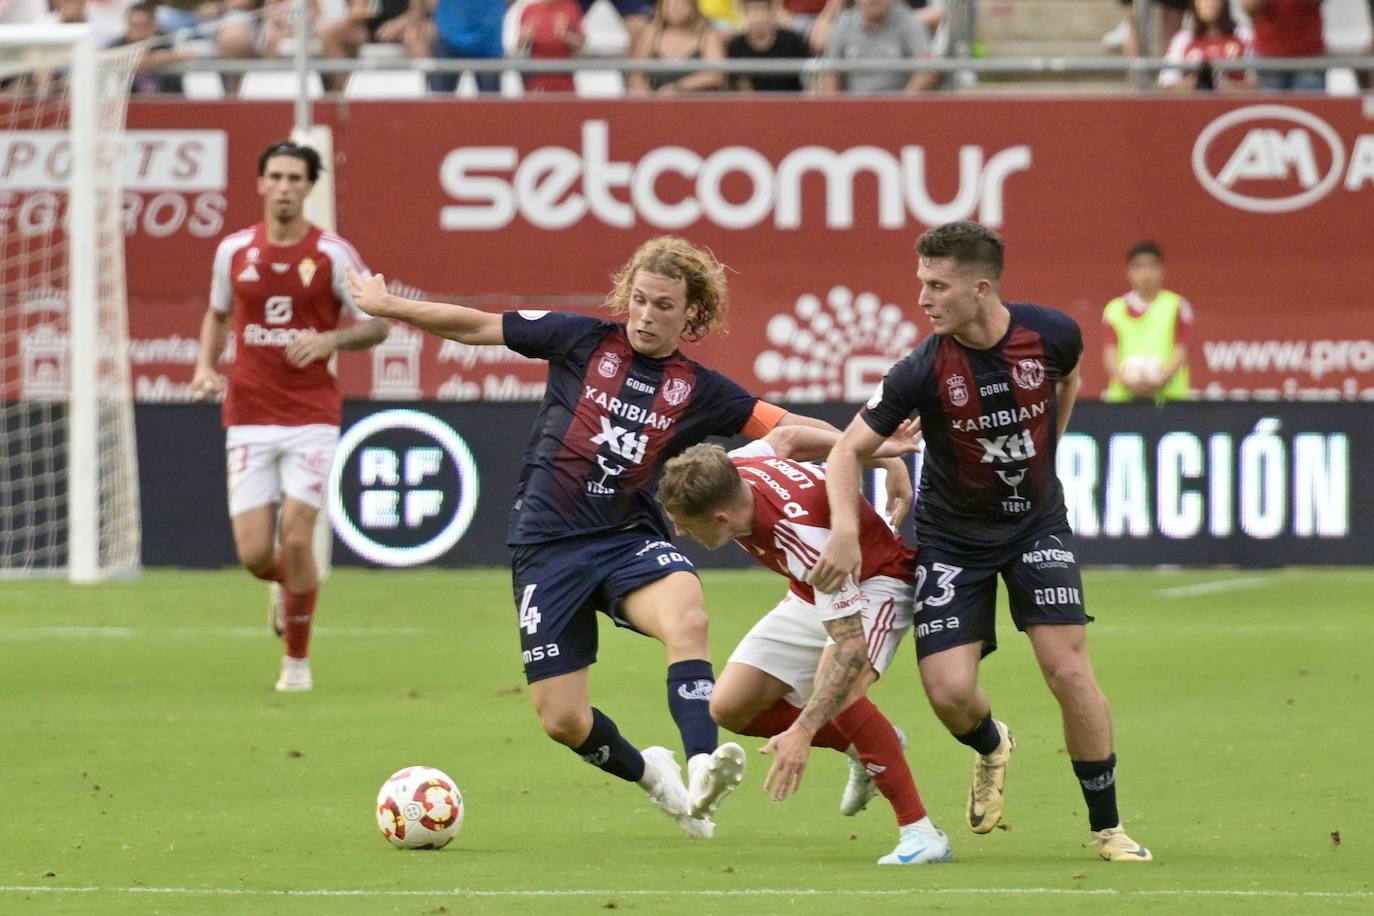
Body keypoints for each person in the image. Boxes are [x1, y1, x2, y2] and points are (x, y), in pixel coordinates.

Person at [344, 237, 879, 838]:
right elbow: (476, 327)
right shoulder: (581, 340)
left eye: (664, 306)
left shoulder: (698, 388)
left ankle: (703, 766)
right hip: (546, 547)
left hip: (627, 538)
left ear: (691, 314)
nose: (647, 316)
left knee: (688, 619)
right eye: (640, 301)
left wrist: (868, 448)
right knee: (562, 720)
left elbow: (780, 424)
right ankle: (655, 775)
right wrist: (388, 305)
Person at [810, 220, 1152, 863]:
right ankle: (993, 743)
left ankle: (1108, 828)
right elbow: (844, 453)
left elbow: (1069, 380)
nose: (922, 298)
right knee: (949, 693)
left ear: (982, 287)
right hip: (953, 539)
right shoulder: (919, 369)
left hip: (1034, 526)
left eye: (937, 285)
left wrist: (1045, 458)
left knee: (1069, 670)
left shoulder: (1051, 334)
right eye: (921, 283)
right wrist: (846, 533)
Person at [657, 429, 954, 866]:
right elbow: (787, 436)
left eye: (685, 520)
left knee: (840, 687)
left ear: (721, 517)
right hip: (812, 591)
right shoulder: (730, 469)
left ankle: (921, 832)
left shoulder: (807, 539)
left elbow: (850, 652)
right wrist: (881, 456)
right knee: (729, 707)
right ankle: (873, 744)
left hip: (876, 583)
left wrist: (803, 731)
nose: (679, 531)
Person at [191, 141, 390, 693]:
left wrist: (328, 338)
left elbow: (379, 323)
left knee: (297, 540)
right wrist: (205, 365)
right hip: (249, 413)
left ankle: (296, 665)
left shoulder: (331, 253)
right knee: (257, 555)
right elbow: (217, 313)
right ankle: (285, 586)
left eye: (294, 178)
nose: (283, 186)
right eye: (274, 176)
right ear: (260, 184)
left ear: (309, 187)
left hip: (310, 415)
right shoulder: (233, 251)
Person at [1101, 241, 1193, 403]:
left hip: (1169, 399)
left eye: (1152, 266)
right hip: (1124, 398)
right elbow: (1110, 354)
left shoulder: (1177, 305)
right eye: (1139, 267)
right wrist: (1125, 380)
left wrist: (1163, 377)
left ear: (1162, 270)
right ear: (1129, 272)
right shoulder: (1114, 309)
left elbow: (1182, 350)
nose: (1146, 274)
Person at [817, 0, 937, 94]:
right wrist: (835, 108)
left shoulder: (908, 21)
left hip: (895, 108)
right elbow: (830, 72)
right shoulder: (845, 22)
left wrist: (903, 104)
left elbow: (926, 70)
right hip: (853, 108)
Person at [628, 0, 727, 94]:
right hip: (657, 103)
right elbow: (636, 74)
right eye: (668, 3)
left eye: (679, 3)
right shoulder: (652, 33)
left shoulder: (707, 36)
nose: (673, 7)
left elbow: (715, 75)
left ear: (692, 5)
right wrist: (646, 97)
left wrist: (678, 88)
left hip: (697, 103)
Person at [1158, 0, 1254, 91]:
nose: (1209, 3)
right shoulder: (1183, 39)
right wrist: (1196, 83)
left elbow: (1257, 83)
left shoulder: (1243, 35)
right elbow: (1167, 84)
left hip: (1235, 105)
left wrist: (1223, 86)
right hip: (1196, 105)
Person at [1241, 0, 1326, 91]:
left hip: (1308, 58)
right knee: (1271, 104)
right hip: (1268, 59)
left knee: (1308, 104)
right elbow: (1250, 8)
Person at [727, 0, 810, 92]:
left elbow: (812, 74)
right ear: (743, 14)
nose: (758, 18)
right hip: (754, 104)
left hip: (792, 102)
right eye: (752, 12)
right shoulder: (736, 46)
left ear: (772, 12)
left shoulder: (792, 40)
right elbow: (742, 87)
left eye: (762, 11)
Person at [517, 0, 585, 93]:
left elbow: (581, 46)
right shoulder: (529, 10)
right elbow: (520, 48)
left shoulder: (570, 8)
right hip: (537, 82)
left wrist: (565, 36)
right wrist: (525, 37)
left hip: (564, 81)